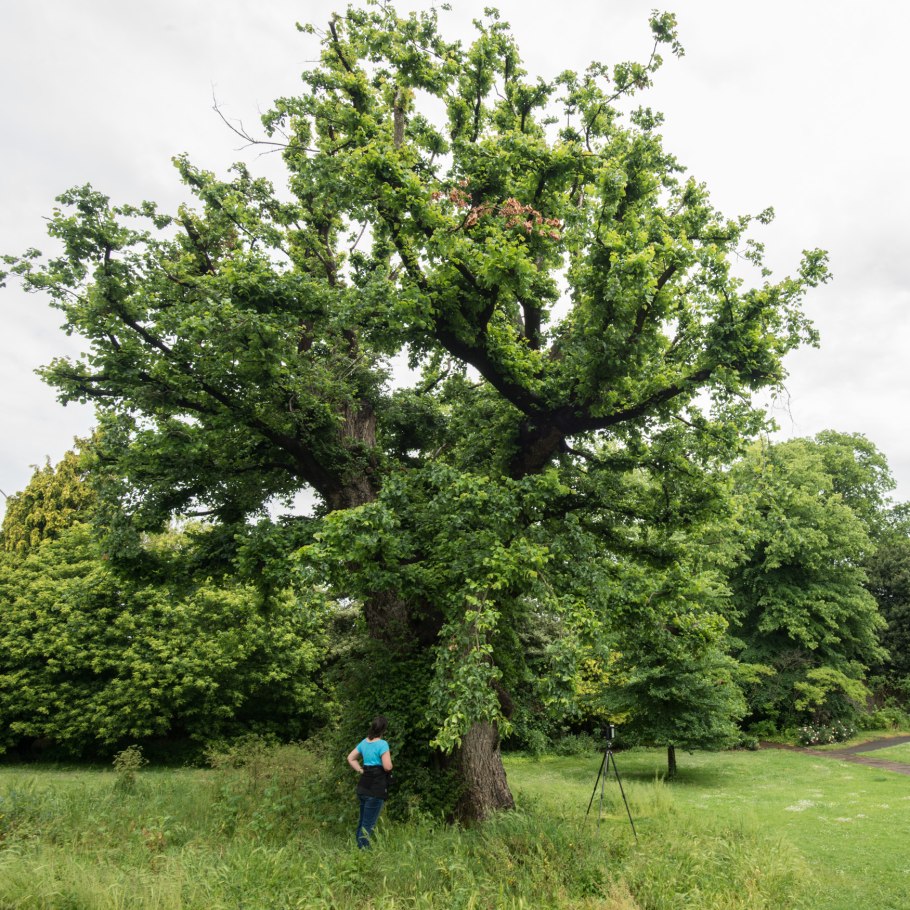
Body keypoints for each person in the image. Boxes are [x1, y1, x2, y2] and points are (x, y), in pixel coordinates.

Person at [347, 715, 393, 849]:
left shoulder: (364, 742)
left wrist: (361, 770)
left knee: (362, 822)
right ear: (384, 729)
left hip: (363, 785)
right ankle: (363, 853)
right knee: (368, 825)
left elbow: (350, 758)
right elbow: (387, 766)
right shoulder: (382, 744)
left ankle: (357, 850)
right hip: (375, 787)